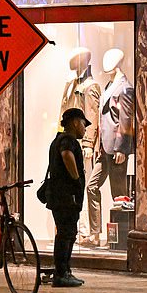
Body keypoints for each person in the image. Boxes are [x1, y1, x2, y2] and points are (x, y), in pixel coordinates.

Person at [86, 48, 135, 245]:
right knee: (91, 186)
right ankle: (95, 233)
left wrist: (122, 148)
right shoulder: (108, 85)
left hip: (115, 148)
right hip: (103, 147)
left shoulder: (125, 88)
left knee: (119, 196)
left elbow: (126, 119)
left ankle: (121, 240)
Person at [45, 108, 92, 287]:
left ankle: (64, 271)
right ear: (74, 122)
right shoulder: (67, 140)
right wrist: (76, 178)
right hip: (66, 197)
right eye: (82, 124)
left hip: (61, 196)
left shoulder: (58, 140)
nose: (84, 128)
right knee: (66, 234)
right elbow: (66, 156)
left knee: (66, 233)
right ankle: (62, 273)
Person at [59, 47, 101, 246]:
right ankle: (77, 229)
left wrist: (88, 143)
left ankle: (85, 231)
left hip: (81, 142)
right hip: (67, 139)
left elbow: (92, 115)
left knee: (81, 184)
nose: (71, 61)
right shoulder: (71, 83)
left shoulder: (91, 86)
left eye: (76, 58)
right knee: (69, 184)